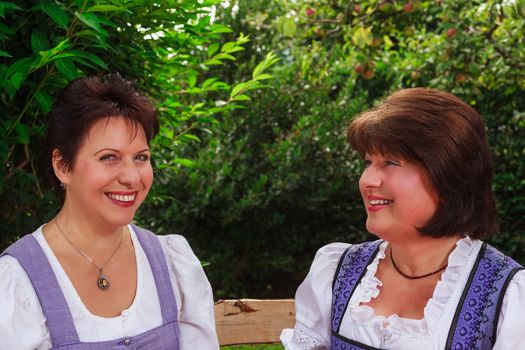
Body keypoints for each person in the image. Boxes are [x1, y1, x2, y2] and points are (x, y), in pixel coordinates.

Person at [281, 88, 525, 349]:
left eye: (390, 163)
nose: (367, 181)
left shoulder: (507, 298)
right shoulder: (336, 271)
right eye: (367, 162)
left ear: (447, 176)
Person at [0, 74, 219, 349]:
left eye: (141, 157)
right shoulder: (18, 283)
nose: (131, 177)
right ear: (63, 166)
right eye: (109, 157)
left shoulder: (173, 263)